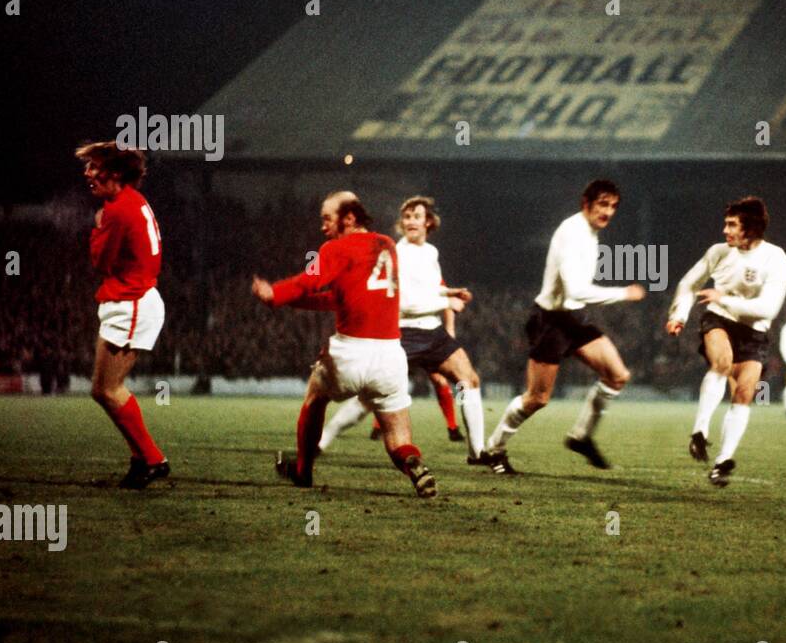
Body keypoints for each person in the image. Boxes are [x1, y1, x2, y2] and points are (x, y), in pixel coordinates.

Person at [252, 191, 436, 496]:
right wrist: (292, 302)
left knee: (314, 398)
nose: (323, 226)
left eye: (327, 218)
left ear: (349, 218)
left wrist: (276, 293)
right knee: (398, 436)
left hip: (351, 353)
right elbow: (341, 299)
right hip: (391, 357)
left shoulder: (335, 247)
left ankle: (303, 471)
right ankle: (412, 462)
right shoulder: (388, 245)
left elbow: (309, 280)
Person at [317, 196, 498, 469]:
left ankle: (477, 452)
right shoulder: (395, 253)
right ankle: (322, 441)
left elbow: (428, 288)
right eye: (407, 216)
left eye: (416, 216)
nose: (411, 221)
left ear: (428, 222)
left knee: (468, 380)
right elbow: (404, 302)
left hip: (432, 332)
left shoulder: (431, 252)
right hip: (402, 333)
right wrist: (446, 303)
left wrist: (449, 292)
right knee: (369, 400)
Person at [484, 180, 645, 473]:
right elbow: (576, 290)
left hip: (573, 317)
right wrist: (624, 293)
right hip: (550, 321)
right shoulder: (572, 233)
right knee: (537, 399)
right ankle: (493, 449)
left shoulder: (590, 233)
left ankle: (581, 437)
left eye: (613, 206)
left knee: (617, 376)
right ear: (586, 204)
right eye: (603, 204)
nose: (608, 212)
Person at [666, 197, 786, 487]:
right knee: (721, 363)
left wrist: (725, 297)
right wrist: (680, 315)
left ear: (751, 228)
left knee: (745, 393)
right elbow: (688, 284)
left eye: (732, 224)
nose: (725, 230)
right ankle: (699, 431)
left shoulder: (776, 259)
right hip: (719, 319)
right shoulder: (719, 252)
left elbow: (769, 309)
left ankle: (722, 462)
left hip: (755, 330)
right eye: (726, 223)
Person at [75, 141, 170, 489]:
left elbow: (100, 261)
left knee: (106, 389)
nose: (87, 174)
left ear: (113, 172)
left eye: (93, 166)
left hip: (131, 302)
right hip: (134, 298)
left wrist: (97, 226)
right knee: (105, 389)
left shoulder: (115, 210)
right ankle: (141, 460)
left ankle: (153, 458)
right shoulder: (133, 200)